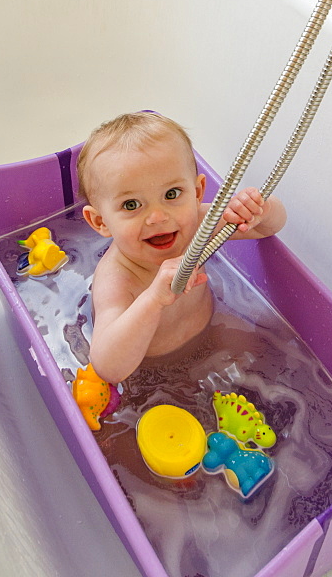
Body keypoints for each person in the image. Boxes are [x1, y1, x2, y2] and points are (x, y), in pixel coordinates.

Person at [78, 112, 286, 385]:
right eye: (131, 205)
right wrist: (153, 298)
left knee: (272, 353)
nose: (158, 217)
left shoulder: (197, 223)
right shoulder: (117, 278)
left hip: (210, 334)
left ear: (198, 191)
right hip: (144, 372)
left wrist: (261, 209)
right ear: (100, 221)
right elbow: (108, 368)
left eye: (172, 194)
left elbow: (269, 228)